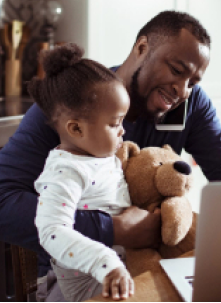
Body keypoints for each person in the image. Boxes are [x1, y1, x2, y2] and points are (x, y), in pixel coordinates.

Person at [0, 11, 221, 302]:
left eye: (193, 82)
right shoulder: (73, 106)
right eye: (176, 69)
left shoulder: (191, 106)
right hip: (80, 282)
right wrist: (113, 230)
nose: (182, 90)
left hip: (147, 270)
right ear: (141, 48)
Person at [29, 44, 134, 301]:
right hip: (88, 288)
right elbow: (52, 230)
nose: (122, 131)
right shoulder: (65, 171)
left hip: (121, 274)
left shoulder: (100, 156)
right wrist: (106, 263)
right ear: (76, 130)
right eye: (114, 123)